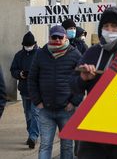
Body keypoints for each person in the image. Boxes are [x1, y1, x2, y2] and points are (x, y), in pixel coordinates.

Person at [70, 6, 117, 158]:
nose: (110, 30)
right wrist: (83, 78)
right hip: (94, 125)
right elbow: (73, 84)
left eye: (114, 26)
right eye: (106, 26)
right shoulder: (93, 52)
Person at [28, 25, 83, 159]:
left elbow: (81, 80)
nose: (57, 40)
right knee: (45, 145)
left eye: (60, 37)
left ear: (65, 38)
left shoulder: (75, 54)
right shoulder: (40, 54)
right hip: (46, 110)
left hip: (67, 110)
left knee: (66, 146)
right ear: (49, 38)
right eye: (54, 37)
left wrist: (74, 102)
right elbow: (32, 79)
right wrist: (38, 102)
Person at [10, 31, 40, 149]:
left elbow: (45, 70)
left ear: (34, 44)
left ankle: (33, 137)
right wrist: (20, 74)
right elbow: (13, 70)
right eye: (26, 45)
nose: (28, 47)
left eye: (29, 45)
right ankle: (31, 134)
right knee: (28, 114)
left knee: (35, 114)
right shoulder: (19, 55)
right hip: (24, 90)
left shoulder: (40, 54)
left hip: (37, 91)